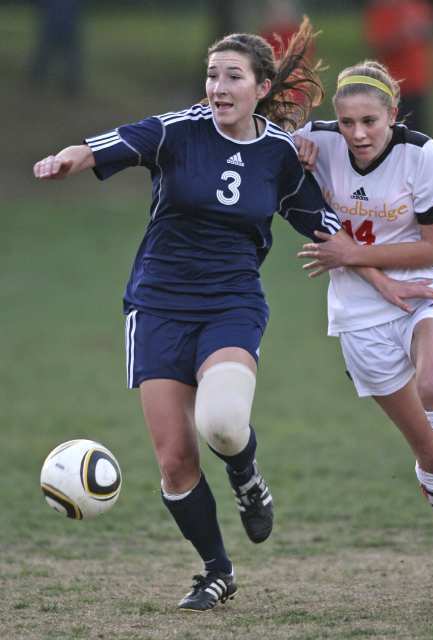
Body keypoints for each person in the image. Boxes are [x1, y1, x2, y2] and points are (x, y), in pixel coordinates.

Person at [32, 18, 347, 612]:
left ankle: (247, 478)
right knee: (176, 459)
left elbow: (324, 224)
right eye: (211, 75)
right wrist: (67, 160)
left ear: (260, 87)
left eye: (233, 77)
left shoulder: (281, 153)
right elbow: (107, 145)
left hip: (231, 302)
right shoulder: (177, 131)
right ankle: (216, 571)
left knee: (223, 424)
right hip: (157, 305)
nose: (218, 87)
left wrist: (364, 250)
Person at [295, 60, 433, 602]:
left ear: (393, 113)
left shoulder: (421, 154)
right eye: (347, 123)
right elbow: (256, 138)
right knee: (430, 454)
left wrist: (355, 253)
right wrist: (290, 155)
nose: (359, 134)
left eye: (371, 120)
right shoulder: (314, 143)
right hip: (359, 318)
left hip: (424, 292)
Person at [364, 0, 433, 134]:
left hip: (418, 84)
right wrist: (403, 35)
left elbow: (430, 33)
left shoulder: (420, 6)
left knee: (418, 137)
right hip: (393, 87)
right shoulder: (381, 9)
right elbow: (379, 46)